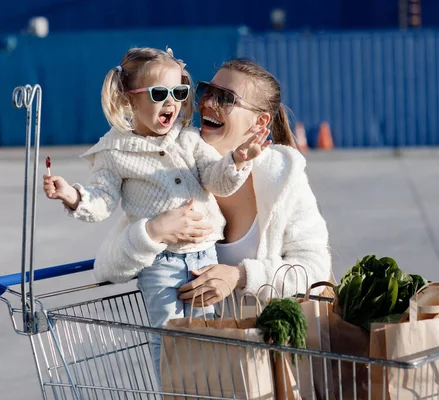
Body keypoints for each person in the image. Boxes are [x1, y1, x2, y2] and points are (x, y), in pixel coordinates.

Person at [42, 48, 271, 384]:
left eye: (179, 93)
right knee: (169, 341)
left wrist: (237, 160)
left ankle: (211, 391)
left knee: (211, 338)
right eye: (159, 94)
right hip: (160, 264)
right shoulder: (114, 151)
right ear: (128, 101)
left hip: (204, 259)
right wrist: (73, 196)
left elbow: (216, 180)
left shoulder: (189, 140)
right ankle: (175, 391)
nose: (171, 103)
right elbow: (102, 200)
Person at [94, 58, 333, 312]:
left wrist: (240, 276)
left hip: (274, 343)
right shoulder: (179, 169)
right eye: (207, 91)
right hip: (206, 346)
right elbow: (107, 268)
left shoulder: (283, 177)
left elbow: (314, 268)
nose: (207, 103)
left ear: (260, 122)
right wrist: (153, 232)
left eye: (225, 98)